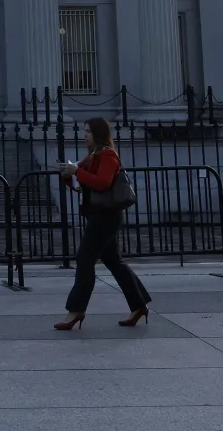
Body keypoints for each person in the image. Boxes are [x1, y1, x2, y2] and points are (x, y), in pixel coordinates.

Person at [53, 116, 151, 330]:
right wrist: (69, 175)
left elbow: (103, 183)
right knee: (114, 261)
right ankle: (139, 305)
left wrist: (77, 172)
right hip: (98, 214)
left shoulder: (107, 155)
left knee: (84, 259)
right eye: (84, 131)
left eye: (88, 131)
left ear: (98, 133)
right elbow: (84, 185)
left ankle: (76, 310)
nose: (85, 135)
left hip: (106, 216)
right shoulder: (92, 156)